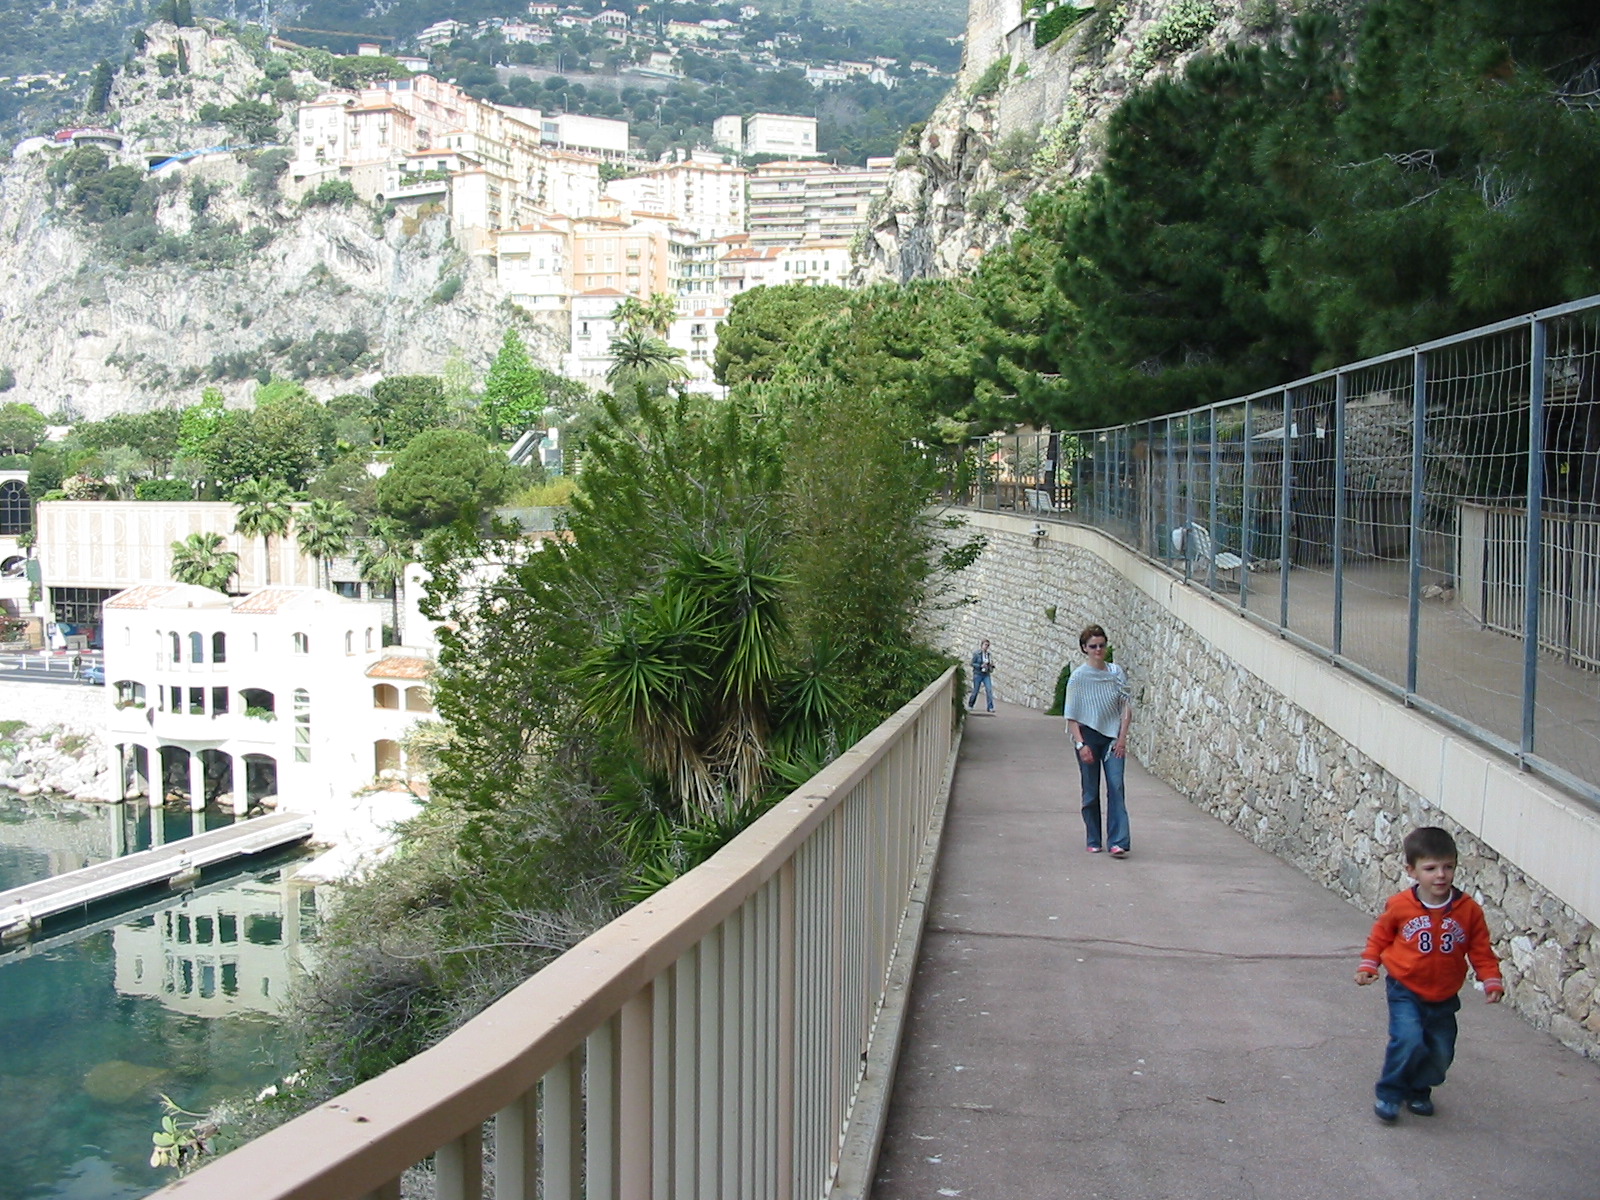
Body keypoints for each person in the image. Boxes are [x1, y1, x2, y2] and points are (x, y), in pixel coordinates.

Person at [1354, 825, 1504, 1123]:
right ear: (1412, 870)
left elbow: (1480, 947)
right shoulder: (1401, 905)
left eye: (1448, 867)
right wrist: (1369, 964)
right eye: (1431, 868)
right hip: (1405, 987)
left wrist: (1491, 978)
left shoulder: (1468, 910)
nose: (1440, 875)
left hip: (1445, 994)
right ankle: (1390, 1092)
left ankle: (1419, 1087)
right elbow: (1380, 936)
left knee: (1441, 1051)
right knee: (1407, 1039)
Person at [1064, 624, 1132, 856]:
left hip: (1112, 738)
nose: (1098, 650)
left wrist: (1122, 738)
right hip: (1088, 737)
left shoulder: (1116, 673)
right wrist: (1081, 744)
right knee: (1091, 791)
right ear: (1084, 648)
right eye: (1093, 646)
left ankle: (1118, 840)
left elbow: (1125, 707)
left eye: (1102, 646)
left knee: (1116, 786)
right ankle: (1093, 837)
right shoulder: (1078, 678)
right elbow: (1071, 716)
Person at [967, 639, 995, 713]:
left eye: (988, 645)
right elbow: (972, 663)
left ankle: (990, 707)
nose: (986, 647)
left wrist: (991, 665)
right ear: (982, 645)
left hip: (986, 674)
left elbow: (991, 663)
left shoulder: (989, 655)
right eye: (985, 645)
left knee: (989, 690)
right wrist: (980, 665)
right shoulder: (977, 654)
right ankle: (970, 705)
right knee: (975, 690)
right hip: (978, 674)